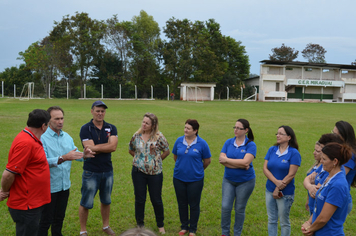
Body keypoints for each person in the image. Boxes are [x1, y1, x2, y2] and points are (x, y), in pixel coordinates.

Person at [38, 106, 95, 236]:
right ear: (48, 120)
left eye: (62, 118)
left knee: (59, 219)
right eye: (56, 119)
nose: (60, 121)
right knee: (45, 221)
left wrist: (84, 154)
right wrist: (63, 158)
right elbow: (42, 162)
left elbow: (73, 153)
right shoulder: (42, 138)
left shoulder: (67, 137)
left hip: (64, 186)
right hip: (49, 187)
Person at [0, 109, 51, 236]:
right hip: (26, 204)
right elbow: (8, 174)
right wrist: (4, 191)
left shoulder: (31, 138)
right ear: (43, 126)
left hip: (33, 201)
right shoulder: (26, 143)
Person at [79, 101, 118, 236]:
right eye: (97, 111)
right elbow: (89, 150)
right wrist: (104, 146)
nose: (100, 113)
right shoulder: (86, 128)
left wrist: (95, 147)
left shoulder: (111, 127)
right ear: (92, 111)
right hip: (91, 171)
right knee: (86, 201)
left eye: (102, 111)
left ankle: (106, 226)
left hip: (107, 171)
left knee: (106, 200)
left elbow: (113, 147)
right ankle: (83, 230)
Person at [129, 112, 170, 234]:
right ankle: (140, 225)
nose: (144, 124)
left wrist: (156, 161)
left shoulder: (159, 137)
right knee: (140, 199)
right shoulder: (136, 136)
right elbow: (131, 150)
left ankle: (160, 225)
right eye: (143, 122)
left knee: (156, 199)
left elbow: (166, 151)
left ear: (153, 125)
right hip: (138, 172)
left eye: (147, 123)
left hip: (155, 174)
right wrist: (140, 160)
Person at [301, 142, 352, 236]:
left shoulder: (338, 185)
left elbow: (323, 218)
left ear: (335, 161)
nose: (321, 161)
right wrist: (309, 222)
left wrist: (309, 229)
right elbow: (319, 208)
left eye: (324, 159)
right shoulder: (328, 177)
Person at [172, 119, 211, 236]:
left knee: (194, 204)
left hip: (195, 180)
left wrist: (197, 170)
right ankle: (184, 226)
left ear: (195, 130)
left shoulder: (202, 143)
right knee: (182, 203)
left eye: (188, 128)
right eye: (185, 127)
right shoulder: (179, 141)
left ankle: (193, 229)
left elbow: (207, 161)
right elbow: (176, 157)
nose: (185, 130)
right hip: (179, 178)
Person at [219, 119, 257, 236]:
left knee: (240, 209)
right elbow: (221, 160)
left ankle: (237, 233)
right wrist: (240, 164)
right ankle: (225, 233)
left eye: (238, 128)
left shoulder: (251, 144)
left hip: (245, 182)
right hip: (228, 180)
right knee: (225, 207)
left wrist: (229, 161)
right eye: (234, 127)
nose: (235, 130)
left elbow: (246, 162)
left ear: (246, 130)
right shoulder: (228, 142)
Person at [263, 125, 301, 236]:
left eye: (281, 134)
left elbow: (291, 174)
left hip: (285, 192)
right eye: (277, 133)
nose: (278, 135)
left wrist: (278, 188)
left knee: (284, 222)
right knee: (271, 219)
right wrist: (276, 183)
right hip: (269, 189)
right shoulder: (272, 149)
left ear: (289, 137)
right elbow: (265, 168)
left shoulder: (294, 153)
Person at [333, 120, 356, 214]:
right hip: (336, 196)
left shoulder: (349, 155)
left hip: (340, 199)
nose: (333, 137)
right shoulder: (341, 151)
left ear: (344, 136)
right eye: (332, 133)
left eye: (336, 135)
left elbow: (338, 176)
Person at [304, 141, 323, 215]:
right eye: (314, 150)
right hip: (312, 202)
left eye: (317, 151)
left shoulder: (324, 169)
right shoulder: (316, 165)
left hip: (318, 206)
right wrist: (308, 200)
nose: (314, 152)